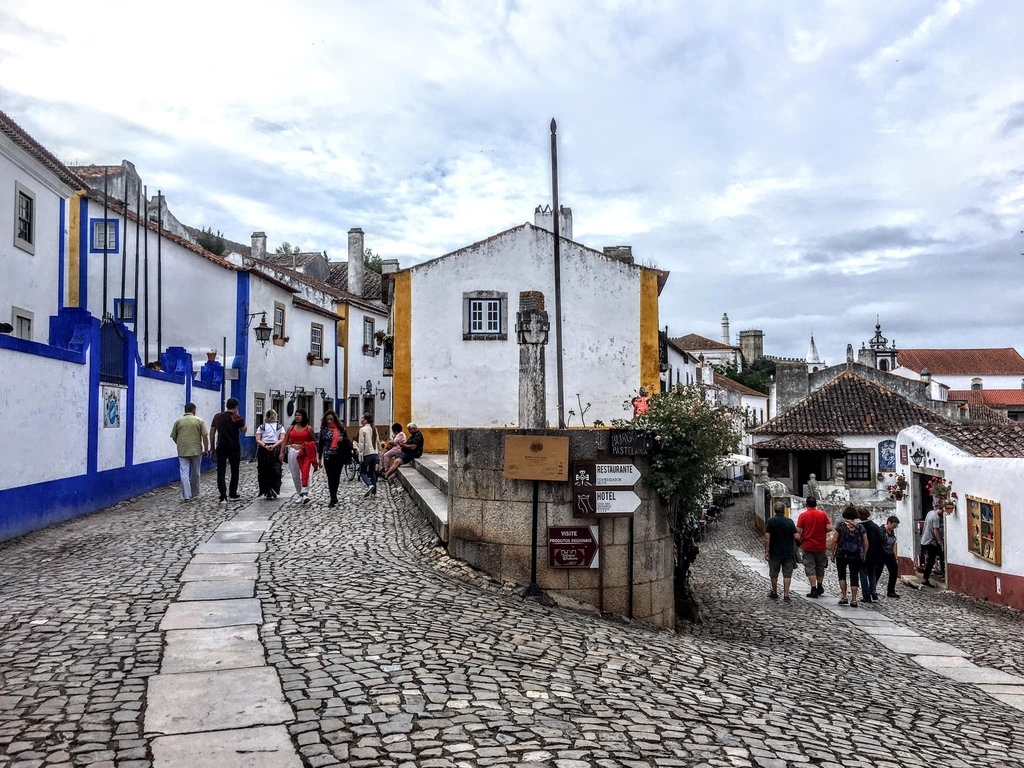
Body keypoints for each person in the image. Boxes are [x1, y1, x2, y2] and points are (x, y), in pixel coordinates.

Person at [210, 397, 247, 504]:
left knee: (221, 471)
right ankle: (233, 493)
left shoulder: (217, 417)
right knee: (235, 471)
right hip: (234, 447)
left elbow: (212, 432)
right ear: (236, 407)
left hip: (221, 446)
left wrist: (212, 447)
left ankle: (222, 496)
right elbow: (244, 430)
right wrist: (238, 417)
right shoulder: (236, 417)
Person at [170, 403, 209, 502]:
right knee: (195, 472)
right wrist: (206, 449)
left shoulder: (178, 422)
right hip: (196, 450)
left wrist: (179, 444)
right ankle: (194, 492)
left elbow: (174, 436)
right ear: (194, 410)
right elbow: (205, 436)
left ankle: (186, 495)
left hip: (182, 450)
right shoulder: (199, 421)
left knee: (184, 472)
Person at [796, 496, 833, 598]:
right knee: (820, 566)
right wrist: (821, 532)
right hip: (821, 545)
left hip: (808, 545)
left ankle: (813, 589)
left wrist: (801, 537)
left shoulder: (803, 515)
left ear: (806, 504)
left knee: (810, 567)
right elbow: (829, 527)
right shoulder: (822, 514)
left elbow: (798, 531)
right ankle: (820, 586)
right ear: (816, 504)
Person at [831, 505, 868, 607]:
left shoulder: (840, 526)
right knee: (854, 575)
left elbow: (834, 540)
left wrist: (832, 553)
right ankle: (854, 599)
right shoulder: (860, 527)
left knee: (842, 575)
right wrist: (864, 554)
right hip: (856, 555)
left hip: (841, 554)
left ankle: (844, 596)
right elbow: (866, 543)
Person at [764, 502, 797, 603]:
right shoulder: (790, 521)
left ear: (774, 510)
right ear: (784, 510)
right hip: (788, 552)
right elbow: (796, 536)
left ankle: (774, 592)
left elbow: (767, 537)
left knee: (774, 573)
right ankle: (786, 594)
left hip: (774, 552)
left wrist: (767, 551)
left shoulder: (770, 521)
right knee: (787, 574)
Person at [281, 409, 316, 503]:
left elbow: (313, 441)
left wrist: (306, 446)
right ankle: (299, 493)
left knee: (305, 472)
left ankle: (305, 493)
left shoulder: (309, 428)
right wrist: (281, 452)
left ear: (303, 416)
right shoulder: (291, 428)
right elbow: (285, 440)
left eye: (299, 415)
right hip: (292, 452)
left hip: (304, 452)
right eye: (296, 415)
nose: (297, 417)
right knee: (295, 474)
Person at [318, 410, 352, 507]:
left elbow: (347, 442)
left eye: (331, 419)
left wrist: (342, 440)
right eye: (327, 419)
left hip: (339, 456)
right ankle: (332, 497)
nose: (329, 421)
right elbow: (321, 445)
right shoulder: (324, 431)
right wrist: (319, 459)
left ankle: (334, 495)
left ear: (334, 420)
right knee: (330, 477)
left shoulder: (341, 429)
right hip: (328, 456)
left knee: (336, 477)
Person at [857, 506, 885, 603]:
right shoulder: (875, 526)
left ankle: (866, 595)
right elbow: (882, 539)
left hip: (864, 553)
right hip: (874, 554)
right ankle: (873, 590)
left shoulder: (859, 527)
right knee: (872, 573)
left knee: (863, 574)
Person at [255, 408, 284, 499]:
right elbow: (282, 439)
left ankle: (266, 489)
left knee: (263, 469)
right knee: (275, 469)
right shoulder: (279, 427)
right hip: (275, 449)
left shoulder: (262, 427)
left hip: (263, 449)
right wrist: (274, 446)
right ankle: (273, 487)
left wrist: (265, 446)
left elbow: (258, 439)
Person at [876, 515, 901, 599]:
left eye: (896, 526)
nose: (895, 527)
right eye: (894, 525)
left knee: (894, 570)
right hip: (881, 554)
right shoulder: (881, 531)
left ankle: (891, 591)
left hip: (890, 554)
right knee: (878, 572)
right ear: (888, 523)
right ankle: (872, 589)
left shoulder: (892, 532)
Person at [920, 505, 945, 588]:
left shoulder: (930, 513)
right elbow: (936, 531)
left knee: (930, 560)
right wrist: (940, 543)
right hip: (931, 541)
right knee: (932, 560)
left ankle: (928, 576)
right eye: (943, 511)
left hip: (924, 539)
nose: (944, 513)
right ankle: (925, 578)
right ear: (941, 509)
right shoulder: (936, 518)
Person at [357, 413, 380, 497]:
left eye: (362, 418)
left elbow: (362, 443)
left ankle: (369, 485)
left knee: (362, 472)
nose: (361, 419)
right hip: (375, 453)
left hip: (367, 453)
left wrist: (360, 455)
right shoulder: (374, 429)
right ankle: (374, 492)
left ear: (365, 420)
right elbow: (377, 442)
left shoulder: (362, 429)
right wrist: (379, 454)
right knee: (372, 472)